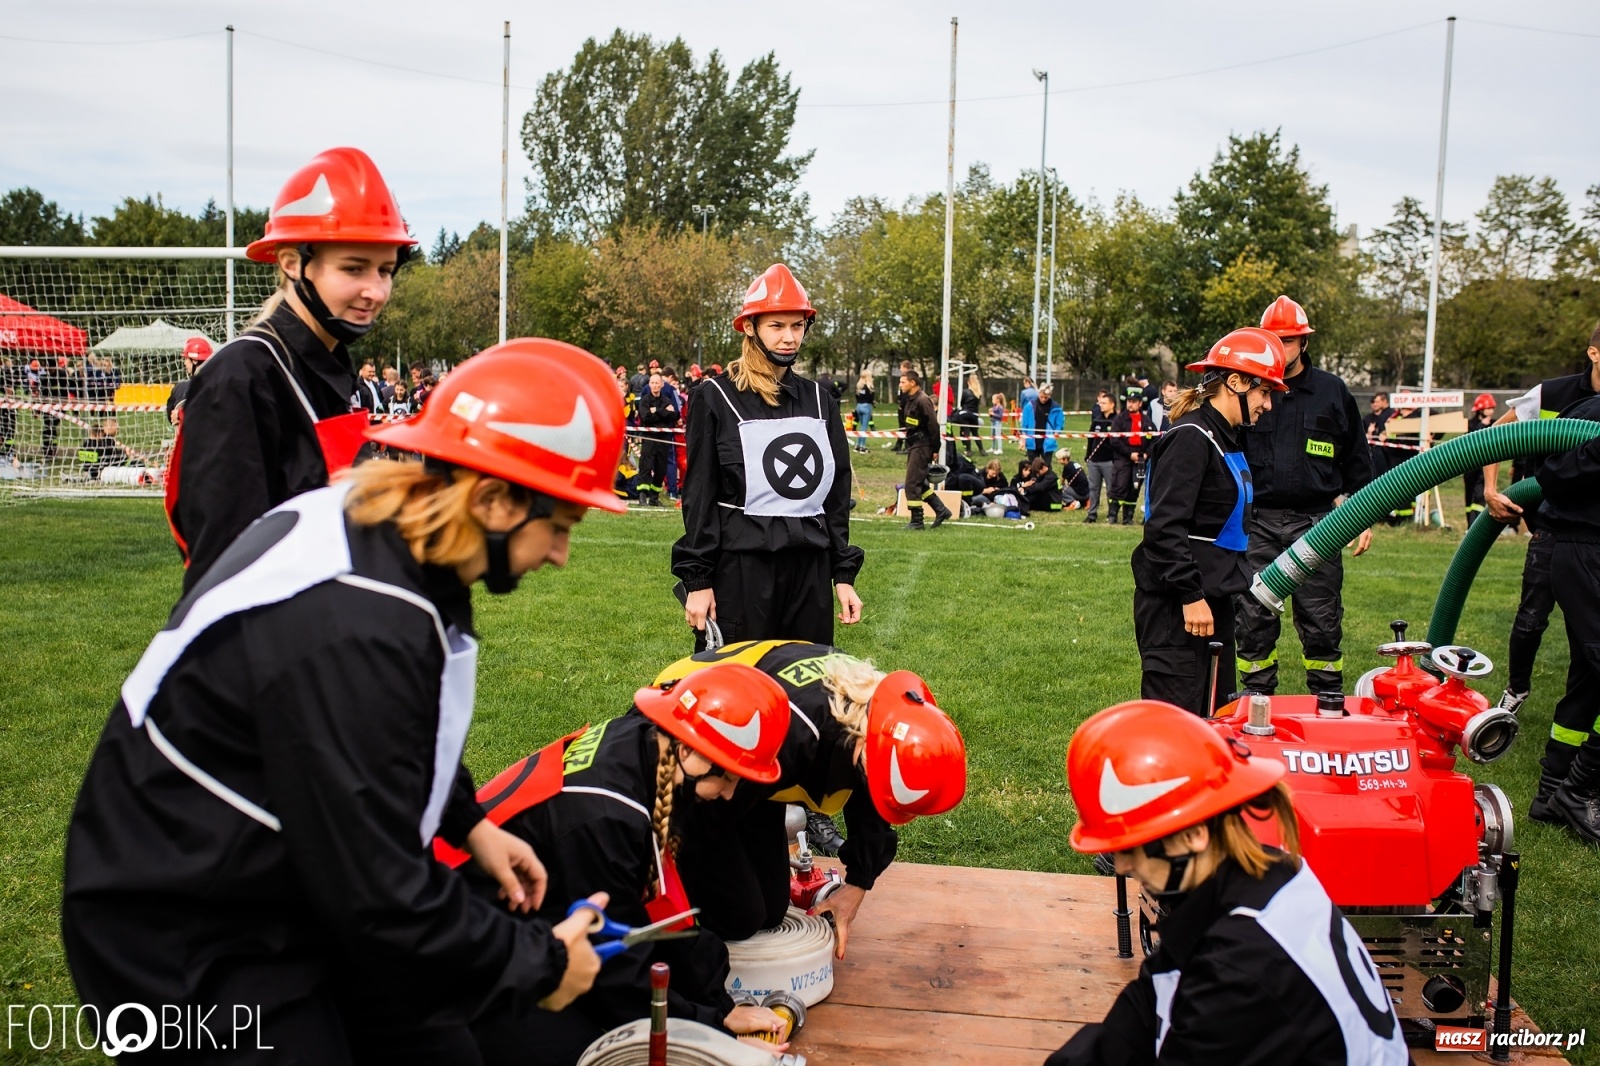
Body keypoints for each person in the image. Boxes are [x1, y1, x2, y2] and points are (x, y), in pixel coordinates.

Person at [63, 340, 628, 1063]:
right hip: (183, 936)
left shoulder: (390, 536)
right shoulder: (358, 621)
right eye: (560, 526)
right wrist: (541, 964)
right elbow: (379, 887)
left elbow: (385, 741)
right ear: (492, 501)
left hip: (275, 880)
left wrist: (468, 820)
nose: (560, 555)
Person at [465, 664, 797, 1064]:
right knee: (588, 1049)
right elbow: (617, 975)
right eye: (727, 778)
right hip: (462, 957)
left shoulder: (643, 746)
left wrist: (720, 1011)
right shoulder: (606, 820)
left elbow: (661, 908)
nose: (729, 795)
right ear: (689, 751)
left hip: (528, 913)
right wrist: (711, 1036)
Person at [1048, 699, 1408, 1066]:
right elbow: (1143, 1012)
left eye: (1132, 848)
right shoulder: (1264, 880)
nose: (1121, 865)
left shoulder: (1239, 969)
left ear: (1193, 835)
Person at [165, 146, 415, 593]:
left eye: (385, 270)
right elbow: (224, 571)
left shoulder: (330, 365)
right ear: (291, 262)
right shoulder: (240, 378)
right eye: (354, 269)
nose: (375, 291)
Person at [651, 641, 966, 955]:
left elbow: (874, 800)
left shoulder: (878, 716)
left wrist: (858, 883)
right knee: (740, 917)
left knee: (771, 912)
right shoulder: (795, 737)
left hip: (754, 770)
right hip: (687, 741)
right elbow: (704, 809)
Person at [673, 264, 863, 650]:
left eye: (797, 326)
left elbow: (836, 495)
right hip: (742, 572)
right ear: (751, 327)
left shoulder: (819, 400)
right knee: (737, 691)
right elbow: (700, 495)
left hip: (808, 574)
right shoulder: (715, 398)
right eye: (777, 326)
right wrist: (698, 581)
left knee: (807, 687)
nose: (789, 338)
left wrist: (842, 574)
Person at [1133, 327, 1285, 716]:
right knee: (1177, 725)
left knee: (1215, 718)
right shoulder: (1191, 438)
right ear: (1234, 382)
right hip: (1180, 608)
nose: (1268, 403)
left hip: (1213, 603)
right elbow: (1164, 528)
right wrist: (1190, 595)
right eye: (1264, 391)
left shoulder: (1225, 436)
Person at [1483, 329, 1600, 819]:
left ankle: (1558, 785)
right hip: (1559, 533)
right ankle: (1517, 690)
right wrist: (1492, 491)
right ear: (1594, 351)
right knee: (1532, 617)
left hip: (1584, 534)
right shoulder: (1554, 396)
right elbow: (1493, 436)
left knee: (1588, 666)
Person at [1233, 296, 1374, 700]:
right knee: (1253, 619)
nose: (1282, 348)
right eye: (1274, 340)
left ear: (1304, 343)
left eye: (1289, 340)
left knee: (1321, 622)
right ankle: (1255, 702)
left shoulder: (1332, 392)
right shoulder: (1249, 388)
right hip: (1256, 525)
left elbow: (1358, 462)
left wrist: (1361, 516)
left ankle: (1328, 703)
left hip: (1318, 527)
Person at [1532, 387, 1600, 842]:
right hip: (1585, 547)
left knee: (1589, 677)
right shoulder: (1588, 414)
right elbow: (1550, 472)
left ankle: (1554, 791)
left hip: (1586, 550)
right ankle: (1579, 792)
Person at [900, 367, 951, 530]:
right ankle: (941, 510)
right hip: (914, 444)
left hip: (923, 446)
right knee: (918, 481)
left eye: (903, 382)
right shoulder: (909, 399)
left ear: (912, 383)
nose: (900, 385)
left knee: (911, 483)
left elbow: (933, 426)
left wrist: (935, 448)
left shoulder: (923, 400)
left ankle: (917, 521)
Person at [635, 371, 679, 507]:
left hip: (663, 439)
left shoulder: (666, 399)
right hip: (649, 438)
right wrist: (663, 413)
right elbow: (646, 417)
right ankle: (642, 496)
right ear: (649, 384)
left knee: (661, 469)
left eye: (657, 383)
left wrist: (657, 411)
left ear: (662, 385)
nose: (655, 386)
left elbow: (674, 416)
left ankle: (654, 498)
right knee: (645, 467)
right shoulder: (645, 400)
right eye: (652, 383)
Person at [1107, 387, 1150, 525]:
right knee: (1119, 486)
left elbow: (1154, 440)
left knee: (1134, 488)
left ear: (1140, 404)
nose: (1130, 404)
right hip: (1123, 457)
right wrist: (1129, 453)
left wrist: (1146, 454)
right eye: (1129, 401)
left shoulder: (1146, 421)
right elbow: (1114, 440)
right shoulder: (1120, 419)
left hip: (1140, 458)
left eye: (1134, 401)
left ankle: (1128, 517)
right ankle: (1112, 515)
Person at [1082, 391, 1117, 523]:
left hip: (1109, 461)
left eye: (1104, 403)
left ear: (1112, 404)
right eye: (1100, 403)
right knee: (1093, 488)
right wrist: (1088, 456)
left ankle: (1112, 514)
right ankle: (1092, 514)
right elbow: (1090, 439)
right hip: (1094, 460)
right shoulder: (1097, 420)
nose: (1101, 405)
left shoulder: (1117, 421)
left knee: (1110, 489)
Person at [1462, 392, 1496, 525]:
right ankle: (1469, 525)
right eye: (1488, 408)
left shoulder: (1495, 424)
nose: (1491, 411)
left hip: (1486, 466)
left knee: (1480, 495)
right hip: (1470, 466)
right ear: (1480, 410)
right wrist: (1481, 425)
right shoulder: (1470, 424)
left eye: (1492, 408)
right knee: (1469, 496)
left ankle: (1478, 524)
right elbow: (1468, 440)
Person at [165, 335, 214, 425]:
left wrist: (181, 415)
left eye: (186, 359)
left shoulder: (180, 389)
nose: (184, 363)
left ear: (194, 361)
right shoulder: (219, 386)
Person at [1020, 382, 1063, 465]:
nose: (1043, 399)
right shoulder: (1029, 406)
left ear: (1050, 395)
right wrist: (1023, 438)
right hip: (1032, 442)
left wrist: (1057, 432)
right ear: (1038, 393)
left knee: (1046, 467)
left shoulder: (1057, 408)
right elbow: (1024, 424)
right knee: (1032, 468)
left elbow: (1059, 423)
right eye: (1041, 397)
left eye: (1046, 397)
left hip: (1048, 442)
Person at [954, 372, 983, 454]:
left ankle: (968, 450)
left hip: (965, 414)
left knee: (966, 433)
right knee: (975, 433)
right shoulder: (978, 393)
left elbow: (961, 403)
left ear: (968, 382)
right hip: (974, 414)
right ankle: (982, 450)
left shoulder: (965, 392)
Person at [854, 372, 875, 453]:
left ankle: (857, 444)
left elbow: (856, 396)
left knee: (861, 426)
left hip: (859, 406)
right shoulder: (869, 386)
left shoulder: (859, 386)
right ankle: (862, 446)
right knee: (864, 427)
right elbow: (871, 398)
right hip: (866, 406)